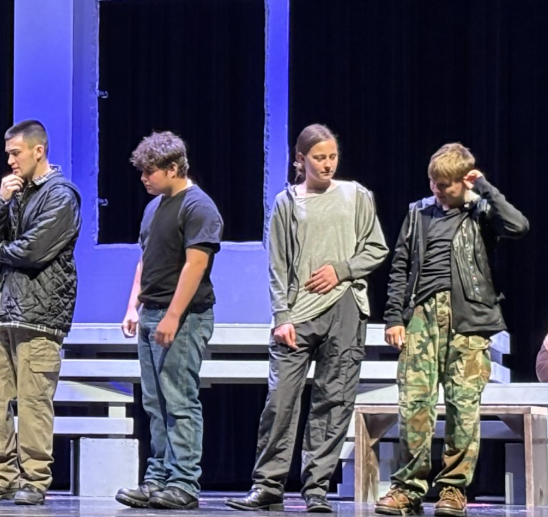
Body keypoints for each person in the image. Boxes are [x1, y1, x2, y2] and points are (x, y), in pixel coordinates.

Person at [226, 124, 388, 513]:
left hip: (345, 307)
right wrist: (281, 315)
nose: (327, 164)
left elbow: (376, 247)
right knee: (280, 400)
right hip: (298, 313)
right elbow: (278, 264)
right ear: (301, 159)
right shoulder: (287, 202)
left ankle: (316, 488)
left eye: (332, 156)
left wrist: (342, 270)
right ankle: (268, 484)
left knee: (333, 400)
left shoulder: (356, 195)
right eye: (319, 158)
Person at [377, 143, 528, 517]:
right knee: (414, 404)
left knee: (463, 406)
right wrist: (394, 318)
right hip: (422, 317)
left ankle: (453, 489)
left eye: (445, 184)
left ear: (464, 181)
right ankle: (408, 489)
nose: (438, 190)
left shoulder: (481, 211)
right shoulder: (418, 214)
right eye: (434, 182)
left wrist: (485, 188)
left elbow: (518, 226)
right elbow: (400, 267)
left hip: (469, 319)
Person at [0, 120, 81, 506]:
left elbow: (33, 250)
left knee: (33, 399)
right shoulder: (15, 192)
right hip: (2, 302)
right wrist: (0, 201)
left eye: (16, 153)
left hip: (39, 309)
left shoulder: (62, 195)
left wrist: (1, 252)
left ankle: (34, 479)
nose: (10, 161)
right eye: (8, 154)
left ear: (38, 151)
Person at [114, 131, 223, 511]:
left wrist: (173, 316)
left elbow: (196, 265)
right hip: (151, 312)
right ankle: (157, 478)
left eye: (150, 172)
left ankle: (183, 482)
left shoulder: (198, 206)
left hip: (184, 317)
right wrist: (133, 306)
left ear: (174, 168)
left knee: (179, 401)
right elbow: (145, 260)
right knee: (155, 404)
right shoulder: (154, 207)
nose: (144, 178)